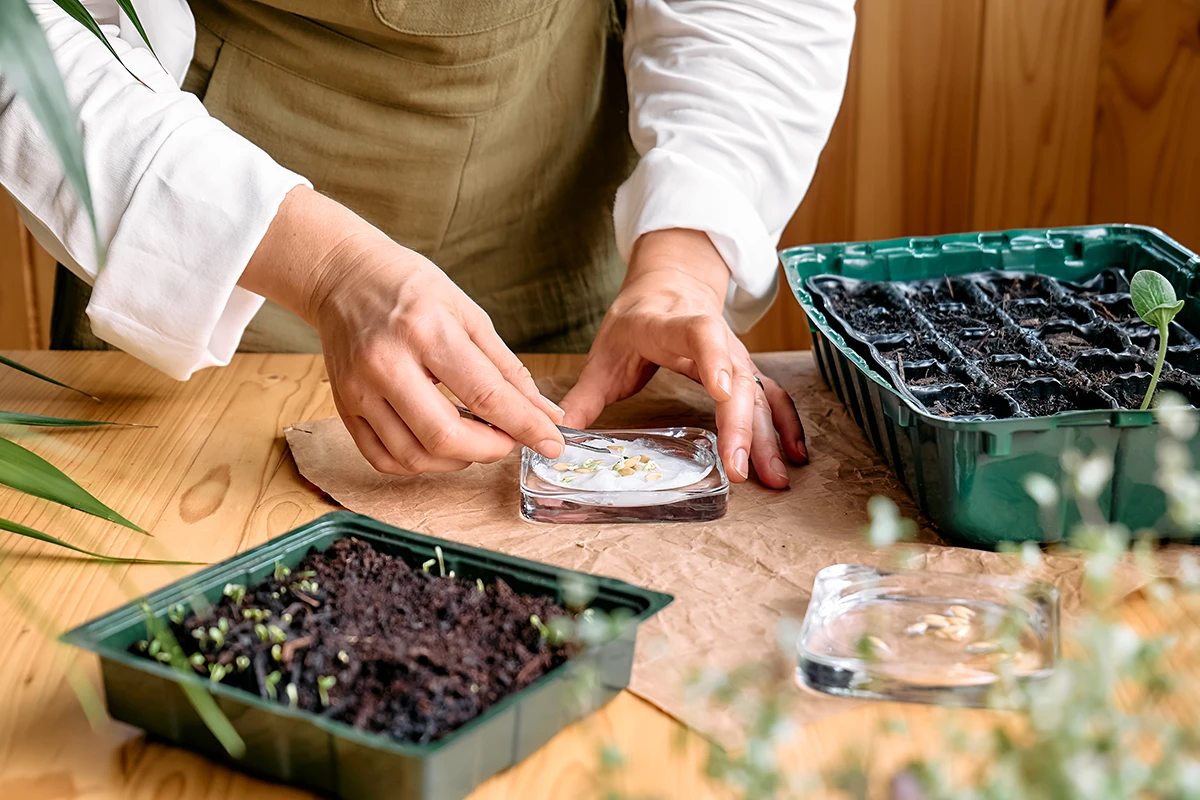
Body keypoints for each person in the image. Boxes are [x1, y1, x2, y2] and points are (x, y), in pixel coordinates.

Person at [0, 0, 854, 487]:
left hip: (555, 191)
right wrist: (327, 265)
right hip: (207, 220)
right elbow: (28, 34)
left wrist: (679, 268)